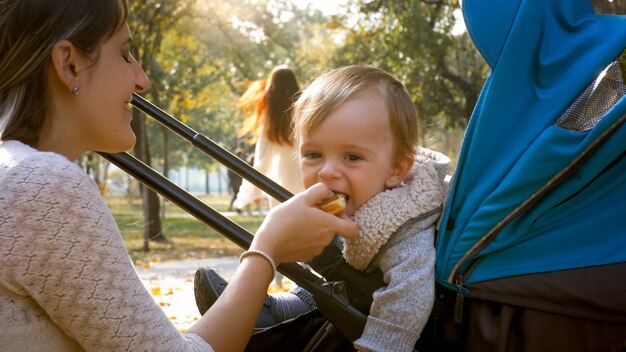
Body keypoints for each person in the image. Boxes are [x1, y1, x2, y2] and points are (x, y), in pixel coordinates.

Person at [0, 1, 357, 352]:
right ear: (69, 65)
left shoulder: (16, 172)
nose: (143, 81)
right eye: (125, 55)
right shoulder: (42, 186)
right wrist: (267, 249)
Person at [196, 65, 451, 351]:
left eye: (352, 157)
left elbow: (407, 301)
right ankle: (276, 310)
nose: (327, 171)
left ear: (396, 169)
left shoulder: (404, 226)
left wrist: (376, 347)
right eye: (314, 154)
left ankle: (280, 314)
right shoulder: (365, 198)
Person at [233, 65, 304, 288]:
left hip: (280, 182)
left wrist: (249, 192)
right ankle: (306, 277)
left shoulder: (270, 117)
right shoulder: (305, 110)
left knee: (281, 231)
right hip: (304, 177)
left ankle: (280, 274)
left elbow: (262, 159)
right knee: (306, 228)